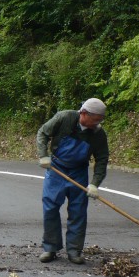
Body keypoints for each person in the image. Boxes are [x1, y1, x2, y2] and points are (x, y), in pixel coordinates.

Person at [36, 98, 109, 264]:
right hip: (56, 169)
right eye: (96, 119)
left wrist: (94, 184)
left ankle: (74, 250)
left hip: (79, 172)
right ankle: (50, 248)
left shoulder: (98, 134)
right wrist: (43, 155)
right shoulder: (65, 118)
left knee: (78, 212)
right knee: (50, 207)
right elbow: (43, 133)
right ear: (84, 113)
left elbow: (102, 159)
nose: (98, 123)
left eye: (100, 119)